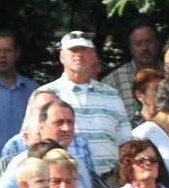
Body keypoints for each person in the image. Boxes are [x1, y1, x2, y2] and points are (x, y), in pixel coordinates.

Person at [40, 31, 132, 179]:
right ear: (61, 57)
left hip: (110, 181)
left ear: (93, 56)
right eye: (73, 50)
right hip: (63, 180)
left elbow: (126, 143)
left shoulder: (112, 95)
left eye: (84, 49)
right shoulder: (46, 95)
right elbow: (32, 139)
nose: (78, 54)